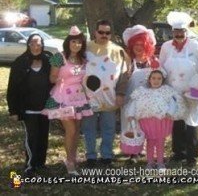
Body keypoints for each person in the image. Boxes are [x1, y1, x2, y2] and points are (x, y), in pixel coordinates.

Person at [43, 26, 93, 175]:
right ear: (68, 42)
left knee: (77, 130)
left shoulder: (83, 59)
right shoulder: (59, 57)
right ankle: (69, 162)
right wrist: (59, 78)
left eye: (79, 42)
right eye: (74, 42)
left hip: (79, 97)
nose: (76, 45)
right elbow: (52, 78)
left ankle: (73, 156)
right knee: (70, 130)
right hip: (62, 97)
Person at [82, 19, 129, 167]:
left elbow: (124, 74)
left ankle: (107, 155)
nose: (104, 35)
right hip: (87, 97)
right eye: (101, 32)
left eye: (107, 33)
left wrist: (121, 94)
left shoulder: (118, 51)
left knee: (108, 128)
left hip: (110, 98)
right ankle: (90, 156)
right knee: (89, 128)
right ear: (95, 32)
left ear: (111, 34)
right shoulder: (85, 48)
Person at [159, 11, 198, 167]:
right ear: (172, 32)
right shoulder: (165, 47)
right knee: (177, 121)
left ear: (187, 32)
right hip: (173, 90)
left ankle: (192, 156)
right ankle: (178, 153)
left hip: (193, 91)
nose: (179, 34)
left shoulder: (196, 46)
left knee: (192, 123)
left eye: (182, 31)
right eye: (176, 32)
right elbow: (161, 67)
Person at [7, 33, 52, 176]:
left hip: (45, 107)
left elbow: (56, 79)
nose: (36, 46)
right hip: (28, 108)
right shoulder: (20, 62)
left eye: (39, 43)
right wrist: (13, 110)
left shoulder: (47, 60)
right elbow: (12, 87)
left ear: (42, 44)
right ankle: (30, 165)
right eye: (32, 43)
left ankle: (41, 163)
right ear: (28, 44)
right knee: (32, 136)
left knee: (43, 136)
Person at [126, 67, 185, 170]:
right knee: (150, 142)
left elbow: (172, 102)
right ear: (149, 79)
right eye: (153, 78)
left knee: (160, 142)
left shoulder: (166, 91)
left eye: (159, 78)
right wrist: (130, 114)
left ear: (162, 80)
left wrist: (170, 112)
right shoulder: (142, 92)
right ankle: (150, 162)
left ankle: (160, 162)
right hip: (148, 122)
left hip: (162, 121)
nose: (156, 81)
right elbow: (134, 103)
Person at [121, 24, 156, 162]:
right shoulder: (128, 62)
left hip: (147, 101)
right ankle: (132, 152)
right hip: (130, 100)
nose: (138, 47)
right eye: (135, 44)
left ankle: (146, 149)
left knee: (146, 125)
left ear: (147, 45)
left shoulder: (152, 61)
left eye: (141, 44)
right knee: (130, 125)